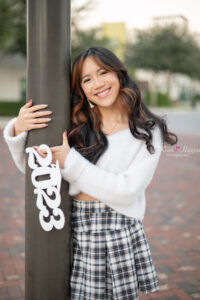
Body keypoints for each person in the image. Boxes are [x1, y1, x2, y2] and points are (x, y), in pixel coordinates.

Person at [3, 46, 178, 300]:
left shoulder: (147, 131)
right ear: (81, 89)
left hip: (117, 231)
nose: (97, 83)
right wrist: (18, 129)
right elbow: (38, 174)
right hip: (73, 229)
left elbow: (127, 190)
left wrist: (70, 162)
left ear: (118, 74)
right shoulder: (77, 125)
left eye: (103, 72)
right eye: (86, 79)